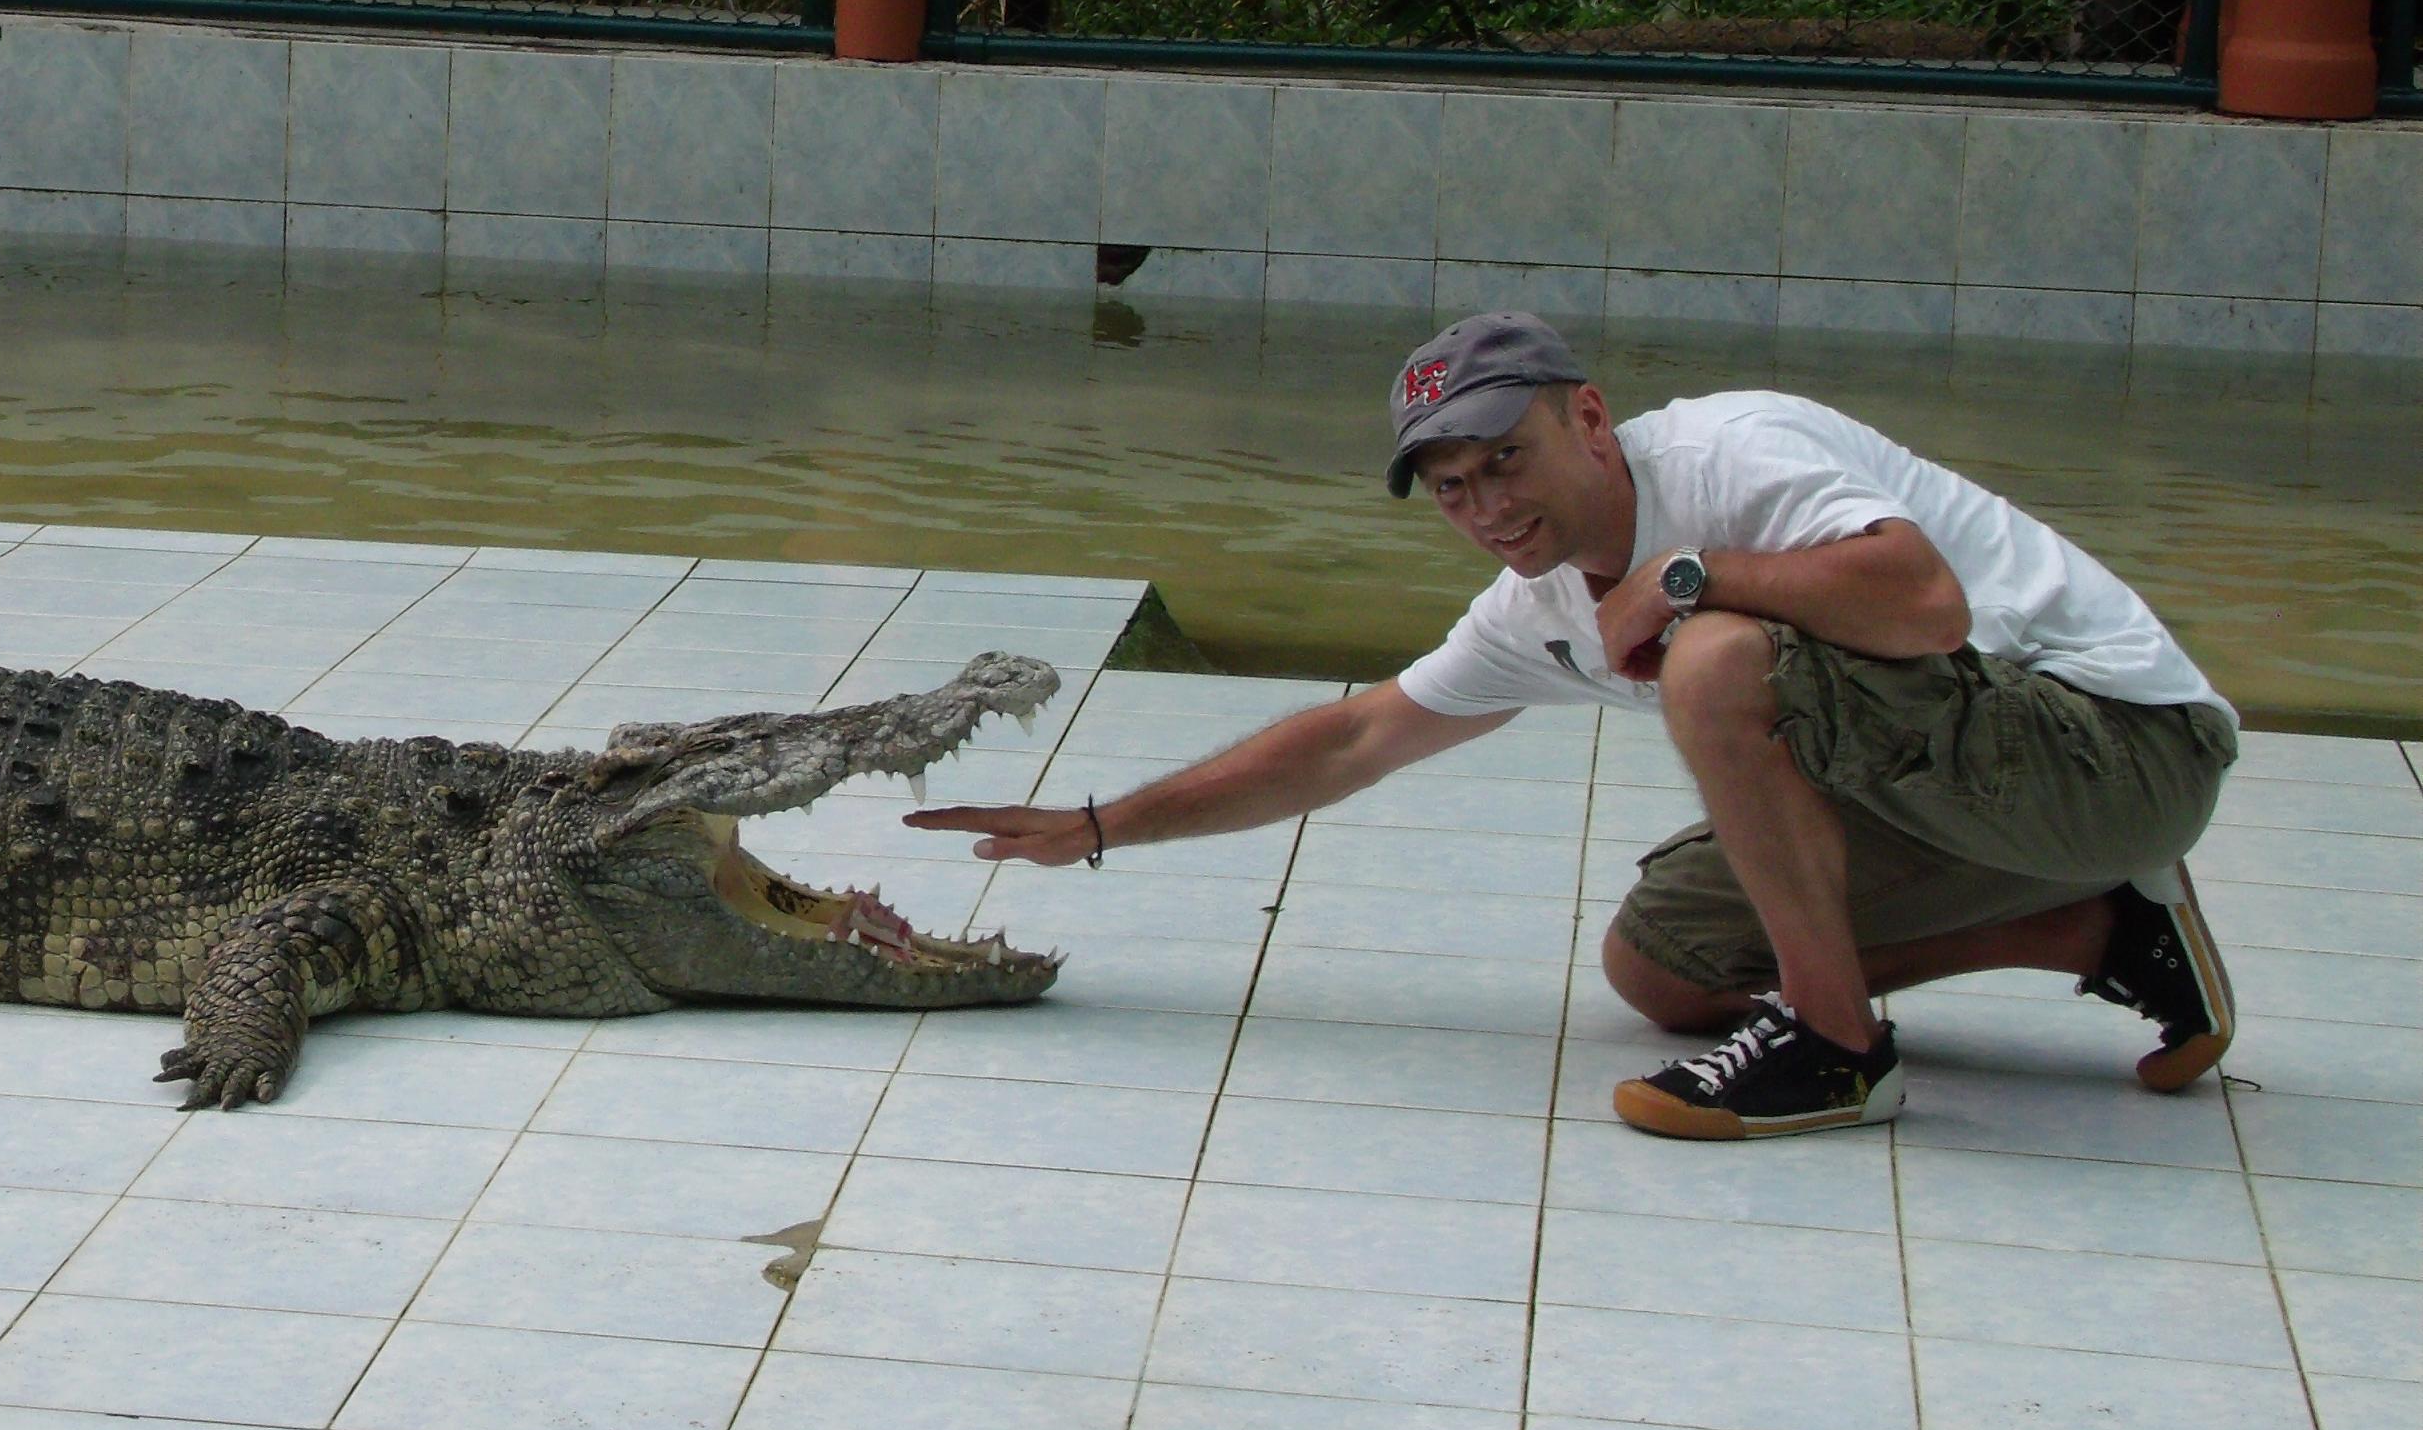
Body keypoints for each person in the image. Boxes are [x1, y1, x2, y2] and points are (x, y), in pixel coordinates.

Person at [913, 312, 2239, 1139]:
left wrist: (1684, 579)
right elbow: (1357, 736)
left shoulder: (1729, 455)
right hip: (1990, 800)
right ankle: (2105, 928)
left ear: (1588, 418)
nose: (1486, 503)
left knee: (1714, 658)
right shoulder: (1531, 602)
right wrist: (1097, 826)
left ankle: (1839, 1053)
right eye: (1450, 485)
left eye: (1506, 458)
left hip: (2121, 749)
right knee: (1662, 964)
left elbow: (1926, 601)